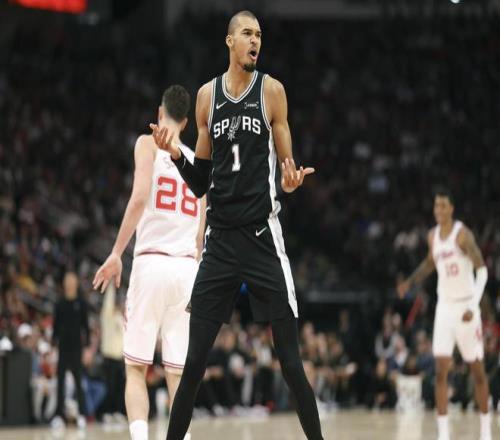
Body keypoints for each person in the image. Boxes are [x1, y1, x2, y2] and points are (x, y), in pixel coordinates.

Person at [151, 10, 324, 440]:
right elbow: (200, 182)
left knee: (290, 363)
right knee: (193, 364)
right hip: (221, 242)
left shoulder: (272, 91)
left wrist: (290, 178)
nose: (255, 41)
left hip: (263, 236)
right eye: (247, 33)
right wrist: (175, 154)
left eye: (259, 35)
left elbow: (287, 164)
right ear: (230, 41)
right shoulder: (206, 97)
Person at [93, 85, 206, 440]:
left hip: (152, 262)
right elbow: (201, 238)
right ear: (185, 122)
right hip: (187, 269)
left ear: (160, 112)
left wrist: (116, 252)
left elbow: (140, 196)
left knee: (136, 369)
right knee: (177, 375)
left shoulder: (147, 143)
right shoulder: (197, 163)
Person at [398, 188, 491, 440]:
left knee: (477, 370)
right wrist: (410, 282)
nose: (438, 210)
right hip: (445, 308)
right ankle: (443, 434)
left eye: (442, 206)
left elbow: (482, 270)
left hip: (466, 307)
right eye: (436, 206)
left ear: (451, 209)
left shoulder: (463, 235)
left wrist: (473, 306)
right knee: (440, 371)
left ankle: (485, 431)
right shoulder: (432, 236)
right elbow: (430, 263)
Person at [51, 271, 89, 429]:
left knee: (79, 381)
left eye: (72, 280)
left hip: (77, 349)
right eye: (67, 280)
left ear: (76, 283)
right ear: (64, 283)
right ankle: (59, 415)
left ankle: (81, 415)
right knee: (60, 382)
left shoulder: (82, 303)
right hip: (63, 348)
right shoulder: (59, 303)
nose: (69, 283)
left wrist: (87, 349)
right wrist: (53, 347)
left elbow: (86, 327)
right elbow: (55, 327)